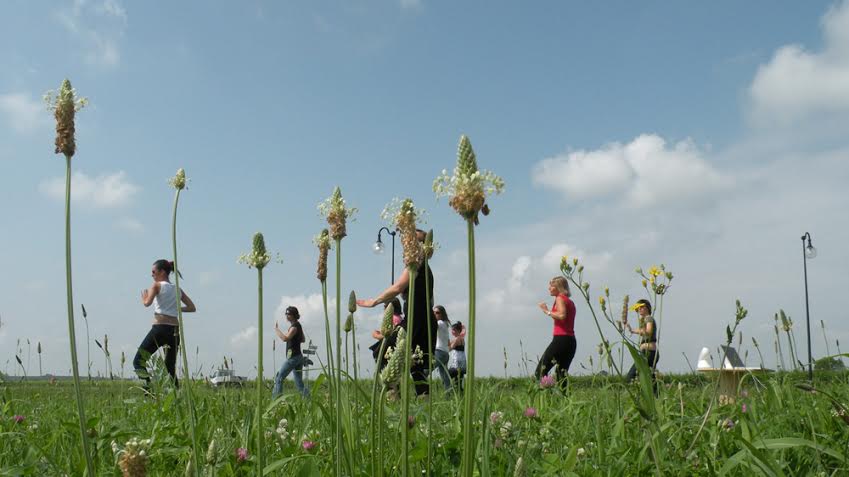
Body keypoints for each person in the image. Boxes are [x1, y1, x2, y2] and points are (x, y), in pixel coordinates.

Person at [358, 229, 436, 396]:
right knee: (416, 363)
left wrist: (374, 301)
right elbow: (430, 300)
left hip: (416, 319)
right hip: (425, 320)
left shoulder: (416, 263)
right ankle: (423, 398)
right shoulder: (427, 270)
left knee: (382, 352)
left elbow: (398, 287)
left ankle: (392, 394)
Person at [134, 259, 196, 389]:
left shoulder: (156, 286)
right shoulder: (178, 289)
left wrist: (144, 298)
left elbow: (147, 304)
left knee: (138, 361)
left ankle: (148, 392)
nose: (152, 274)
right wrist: (177, 309)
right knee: (170, 367)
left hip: (160, 329)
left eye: (153, 272)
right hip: (174, 331)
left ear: (162, 272)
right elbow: (191, 307)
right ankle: (177, 394)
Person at [535, 276, 576, 392]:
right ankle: (564, 401)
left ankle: (547, 397)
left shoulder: (560, 298)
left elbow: (562, 316)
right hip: (570, 341)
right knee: (561, 375)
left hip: (561, 340)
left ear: (559, 287)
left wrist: (546, 311)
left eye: (552, 285)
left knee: (540, 371)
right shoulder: (570, 302)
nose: (549, 288)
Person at [272, 306, 309, 398]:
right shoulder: (297, 326)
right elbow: (303, 339)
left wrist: (276, 329)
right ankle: (308, 401)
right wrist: (295, 339)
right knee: (299, 382)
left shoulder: (294, 327)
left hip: (293, 357)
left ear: (294, 315)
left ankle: (277, 400)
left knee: (279, 377)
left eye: (288, 314)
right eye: (286, 314)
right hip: (298, 357)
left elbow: (285, 338)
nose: (286, 316)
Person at [624, 299, 659, 394]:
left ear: (647, 308)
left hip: (648, 353)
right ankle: (656, 398)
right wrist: (631, 330)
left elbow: (648, 331)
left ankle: (629, 393)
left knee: (631, 375)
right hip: (649, 353)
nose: (639, 309)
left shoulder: (648, 318)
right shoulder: (645, 320)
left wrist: (638, 331)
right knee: (650, 379)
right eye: (638, 308)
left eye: (642, 307)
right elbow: (644, 331)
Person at [369, 298, 404, 372]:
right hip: (394, 348)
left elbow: (391, 336)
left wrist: (376, 335)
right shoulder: (399, 318)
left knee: (383, 368)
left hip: (389, 350)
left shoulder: (393, 318)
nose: (384, 308)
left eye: (385, 306)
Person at [432, 305, 452, 391]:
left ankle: (422, 392)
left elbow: (433, 325)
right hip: (445, 353)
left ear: (442, 314)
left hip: (439, 352)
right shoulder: (445, 325)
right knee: (445, 378)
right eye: (433, 312)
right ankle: (450, 395)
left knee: (425, 371)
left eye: (437, 313)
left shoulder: (440, 323)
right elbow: (448, 342)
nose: (435, 314)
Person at [447, 321, 467, 390]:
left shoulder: (456, 339)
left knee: (446, 375)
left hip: (456, 363)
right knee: (458, 382)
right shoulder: (462, 339)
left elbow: (449, 349)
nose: (452, 331)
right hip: (463, 363)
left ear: (458, 330)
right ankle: (460, 396)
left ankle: (448, 391)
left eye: (453, 330)